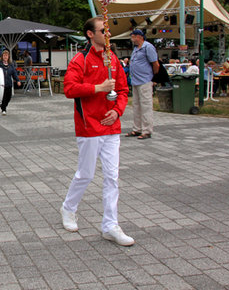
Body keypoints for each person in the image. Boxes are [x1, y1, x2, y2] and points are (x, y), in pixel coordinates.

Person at [60, 17, 134, 246]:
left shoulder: (113, 59)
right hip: (89, 127)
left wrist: (118, 111)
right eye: (103, 30)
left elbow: (123, 89)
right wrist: (97, 88)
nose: (107, 34)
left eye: (109, 30)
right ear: (91, 34)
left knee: (112, 177)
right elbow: (69, 89)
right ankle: (68, 208)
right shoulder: (80, 60)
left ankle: (110, 225)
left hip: (111, 126)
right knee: (87, 174)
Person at [127, 29, 159, 140]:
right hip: (135, 81)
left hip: (145, 80)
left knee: (146, 106)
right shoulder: (136, 49)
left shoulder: (148, 47)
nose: (132, 39)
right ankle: (137, 129)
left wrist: (153, 78)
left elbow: (155, 64)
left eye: (133, 37)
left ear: (139, 37)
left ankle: (147, 130)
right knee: (136, 106)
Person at [0, 49, 21, 115]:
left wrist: (17, 80)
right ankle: (4, 109)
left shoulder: (11, 65)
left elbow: (14, 73)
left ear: (8, 57)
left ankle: (3, 106)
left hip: (9, 83)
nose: (5, 57)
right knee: (3, 97)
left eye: (6, 55)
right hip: (1, 84)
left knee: (9, 97)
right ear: (2, 56)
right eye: (4, 55)